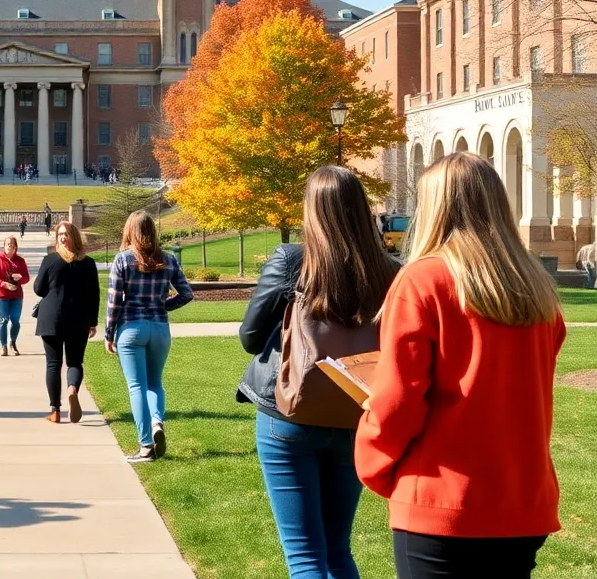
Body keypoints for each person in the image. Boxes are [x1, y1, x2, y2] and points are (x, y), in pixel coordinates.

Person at [355, 153, 566, 579]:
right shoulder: (537, 287)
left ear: (434, 207)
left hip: (441, 499)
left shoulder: (423, 280)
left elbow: (397, 400)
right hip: (522, 498)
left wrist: (374, 465)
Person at [236, 166, 399, 577]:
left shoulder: (292, 260)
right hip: (354, 412)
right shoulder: (391, 271)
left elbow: (251, 337)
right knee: (338, 549)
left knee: (305, 555)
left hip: (290, 411)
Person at [104, 210, 194, 462]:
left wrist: (108, 333)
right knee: (155, 383)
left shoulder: (122, 260)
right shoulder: (169, 259)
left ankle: (145, 445)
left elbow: (113, 302)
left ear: (129, 231)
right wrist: (163, 305)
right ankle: (157, 422)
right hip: (159, 328)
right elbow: (187, 294)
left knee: (136, 386)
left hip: (131, 327)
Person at [33, 221, 100, 423]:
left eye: (65, 234)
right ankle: (72, 389)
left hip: (51, 318)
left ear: (72, 237)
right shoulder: (88, 264)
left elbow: (38, 289)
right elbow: (94, 294)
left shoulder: (50, 261)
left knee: (53, 364)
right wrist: (93, 321)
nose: (62, 237)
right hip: (78, 319)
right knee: (74, 363)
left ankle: (55, 410)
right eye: (60, 234)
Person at [0, 235, 30, 356]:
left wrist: (20, 278)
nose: (10, 248)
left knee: (15, 321)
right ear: (4, 246)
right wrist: (2, 283)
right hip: (1, 295)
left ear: (16, 248)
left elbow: (27, 277)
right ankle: (3, 346)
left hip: (16, 295)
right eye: (8, 245)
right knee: (4, 320)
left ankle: (13, 342)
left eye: (12, 246)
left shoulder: (20, 261)